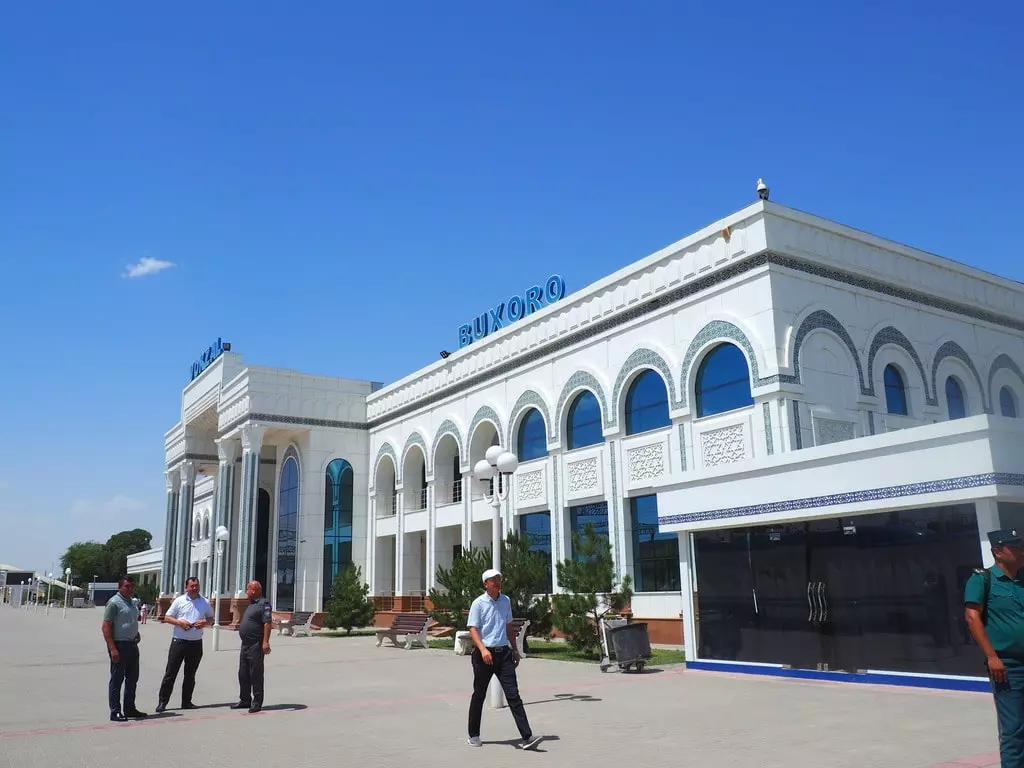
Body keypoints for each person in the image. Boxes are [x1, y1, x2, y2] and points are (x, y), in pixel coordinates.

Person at [965, 529, 1024, 767]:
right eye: (1015, 546)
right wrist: (992, 656)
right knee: (1014, 729)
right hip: (1007, 666)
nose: (1021, 550)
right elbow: (972, 618)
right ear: (997, 552)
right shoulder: (982, 579)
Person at [466, 568, 541, 750]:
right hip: (484, 655)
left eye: (499, 579)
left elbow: (508, 626)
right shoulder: (479, 603)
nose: (497, 582)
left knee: (513, 695)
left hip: (504, 655)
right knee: (479, 695)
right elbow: (473, 628)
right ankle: (473, 735)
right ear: (485, 584)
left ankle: (527, 737)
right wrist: (483, 648)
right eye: (493, 579)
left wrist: (515, 649)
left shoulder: (505, 600)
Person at [155, 577, 214, 713]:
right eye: (192, 586)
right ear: (186, 588)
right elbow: (167, 617)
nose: (195, 588)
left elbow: (211, 618)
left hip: (196, 643)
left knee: (190, 674)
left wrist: (205, 622)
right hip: (179, 641)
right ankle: (162, 702)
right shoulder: (179, 601)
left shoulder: (204, 601)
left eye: (197, 586)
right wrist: (180, 623)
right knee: (171, 673)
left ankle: (186, 701)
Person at [101, 576, 147, 722]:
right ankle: (115, 711)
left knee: (132, 679)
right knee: (117, 679)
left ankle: (130, 708)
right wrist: (113, 649)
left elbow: (130, 621)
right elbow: (106, 627)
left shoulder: (132, 603)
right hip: (119, 645)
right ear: (120, 587)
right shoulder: (114, 603)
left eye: (132, 586)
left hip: (132, 645)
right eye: (126, 586)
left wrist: (135, 634)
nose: (130, 589)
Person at [233, 580, 272, 713]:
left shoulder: (263, 604)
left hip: (256, 644)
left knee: (255, 673)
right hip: (245, 645)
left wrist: (265, 642)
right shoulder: (251, 605)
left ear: (254, 590)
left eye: (248, 589)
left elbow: (267, 623)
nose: (246, 592)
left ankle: (257, 702)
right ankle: (245, 700)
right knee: (243, 673)